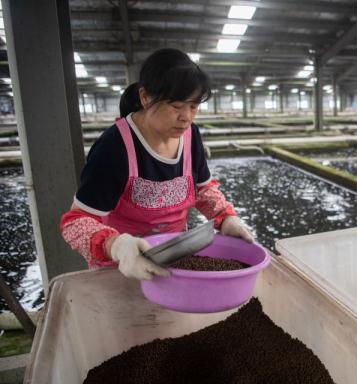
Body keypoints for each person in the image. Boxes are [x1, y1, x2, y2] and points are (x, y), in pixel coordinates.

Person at [60, 48, 252, 280]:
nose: (186, 117)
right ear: (145, 97)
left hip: (175, 256)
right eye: (176, 106)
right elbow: (75, 222)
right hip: (124, 266)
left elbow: (202, 189)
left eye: (193, 106)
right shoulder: (115, 146)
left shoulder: (191, 136)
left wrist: (225, 217)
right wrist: (117, 245)